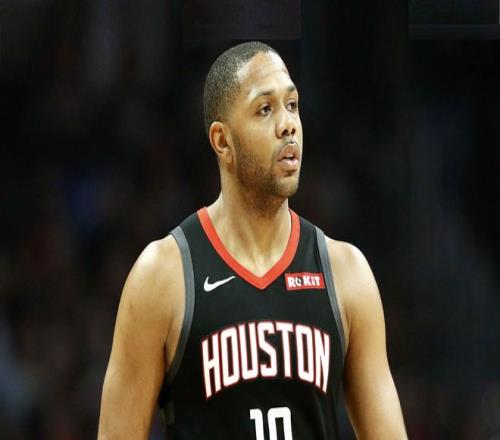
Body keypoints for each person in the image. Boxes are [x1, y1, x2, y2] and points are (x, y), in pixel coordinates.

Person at [98, 41, 407, 439]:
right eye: (265, 109)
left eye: (292, 105)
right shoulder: (162, 276)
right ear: (222, 141)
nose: (288, 124)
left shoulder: (346, 273)